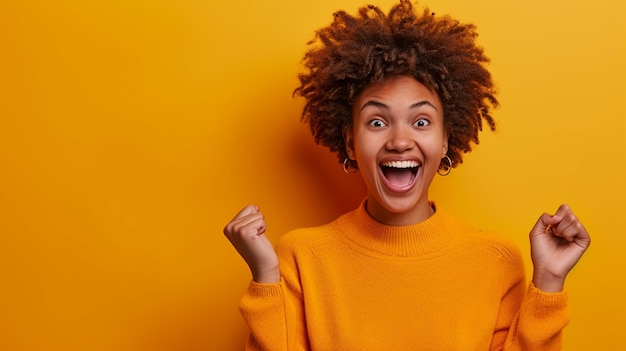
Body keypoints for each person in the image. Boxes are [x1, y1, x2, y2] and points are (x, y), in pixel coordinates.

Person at [223, 1, 591, 350]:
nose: (400, 141)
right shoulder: (301, 256)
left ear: (446, 139)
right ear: (351, 143)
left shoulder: (496, 261)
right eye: (377, 121)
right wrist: (266, 276)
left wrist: (549, 281)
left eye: (420, 121)